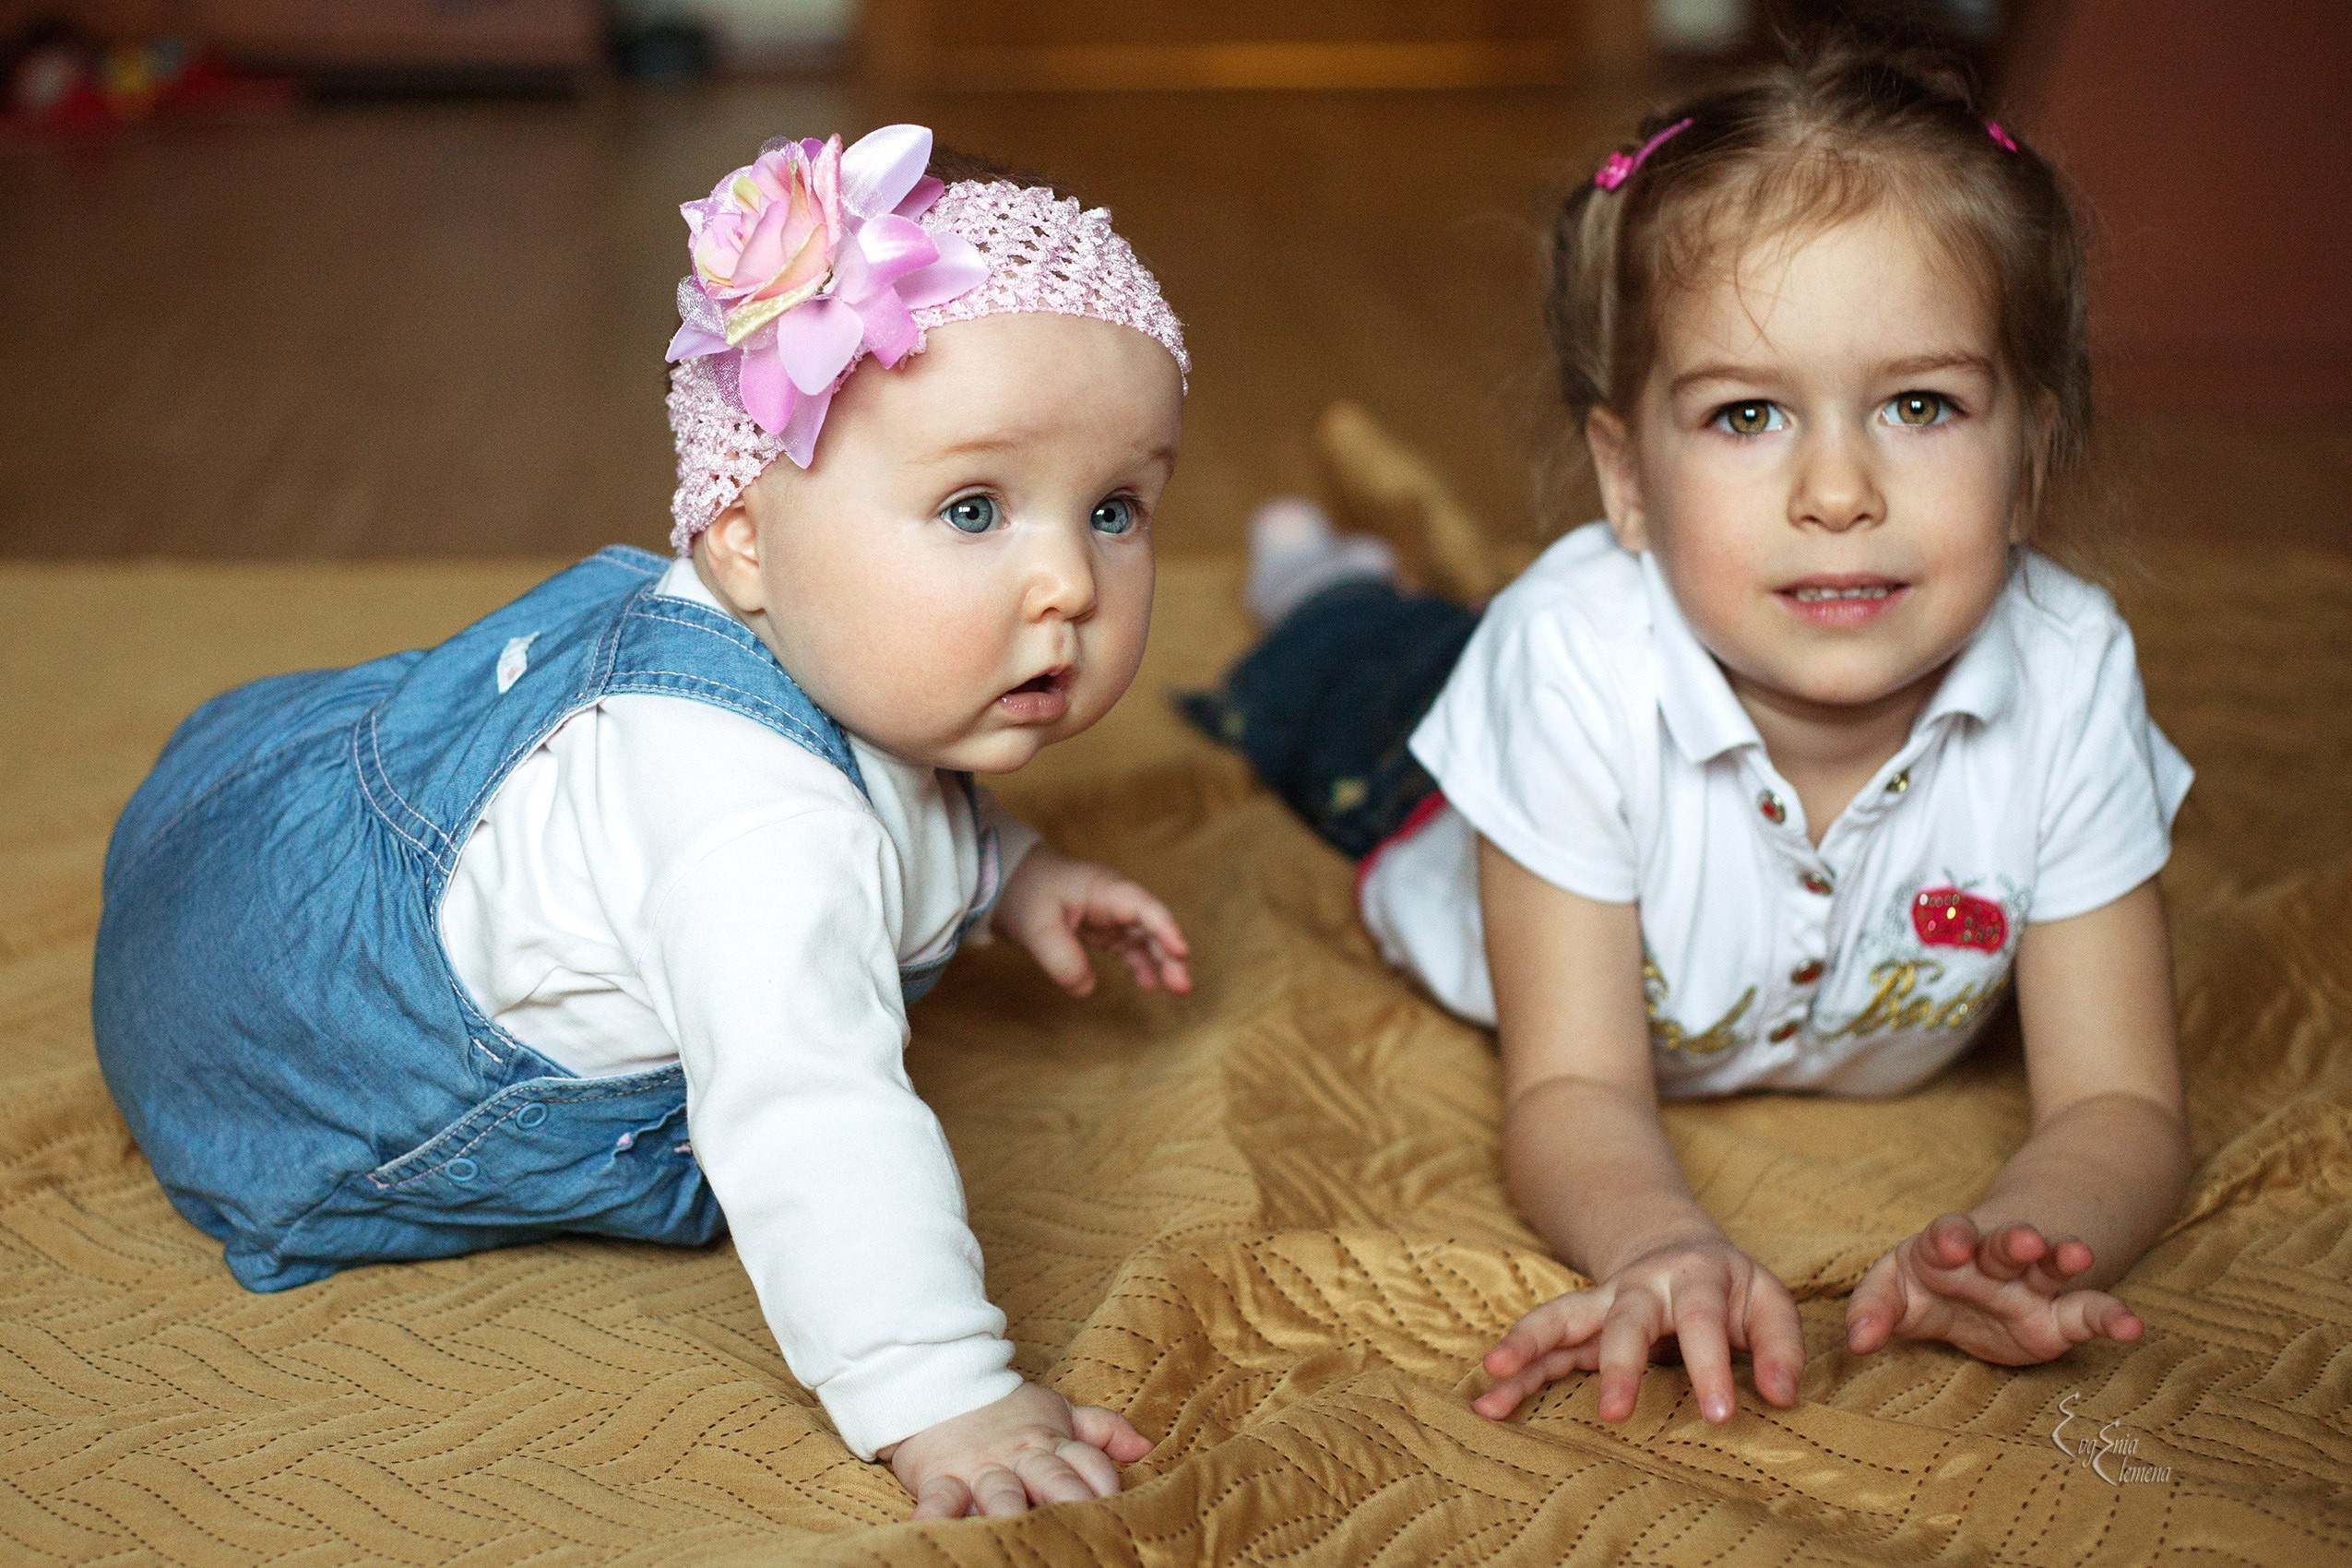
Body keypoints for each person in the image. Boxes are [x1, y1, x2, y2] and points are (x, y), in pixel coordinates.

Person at [93, 125, 1192, 1518]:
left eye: (1114, 509)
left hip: (281, 803)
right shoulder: (754, 830)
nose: (1067, 585)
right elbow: (807, 1114)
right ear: (740, 536)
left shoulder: (823, 647)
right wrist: (942, 1392)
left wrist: (1013, 874)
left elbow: (905, 790)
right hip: (288, 1045)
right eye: (972, 507)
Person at [1182, 44, 2193, 1429]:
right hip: (1414, 790)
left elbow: (2121, 1102)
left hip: (1603, 655)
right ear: (1624, 477)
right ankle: (1317, 576)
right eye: (1744, 413)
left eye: (1919, 405)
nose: (1835, 490)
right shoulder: (1564, 659)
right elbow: (1571, 1083)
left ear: (2027, 453)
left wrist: (2022, 1238)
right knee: (1334, 673)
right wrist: (1661, 1243)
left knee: (1432, 634)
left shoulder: (2070, 673)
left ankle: (1363, 565)